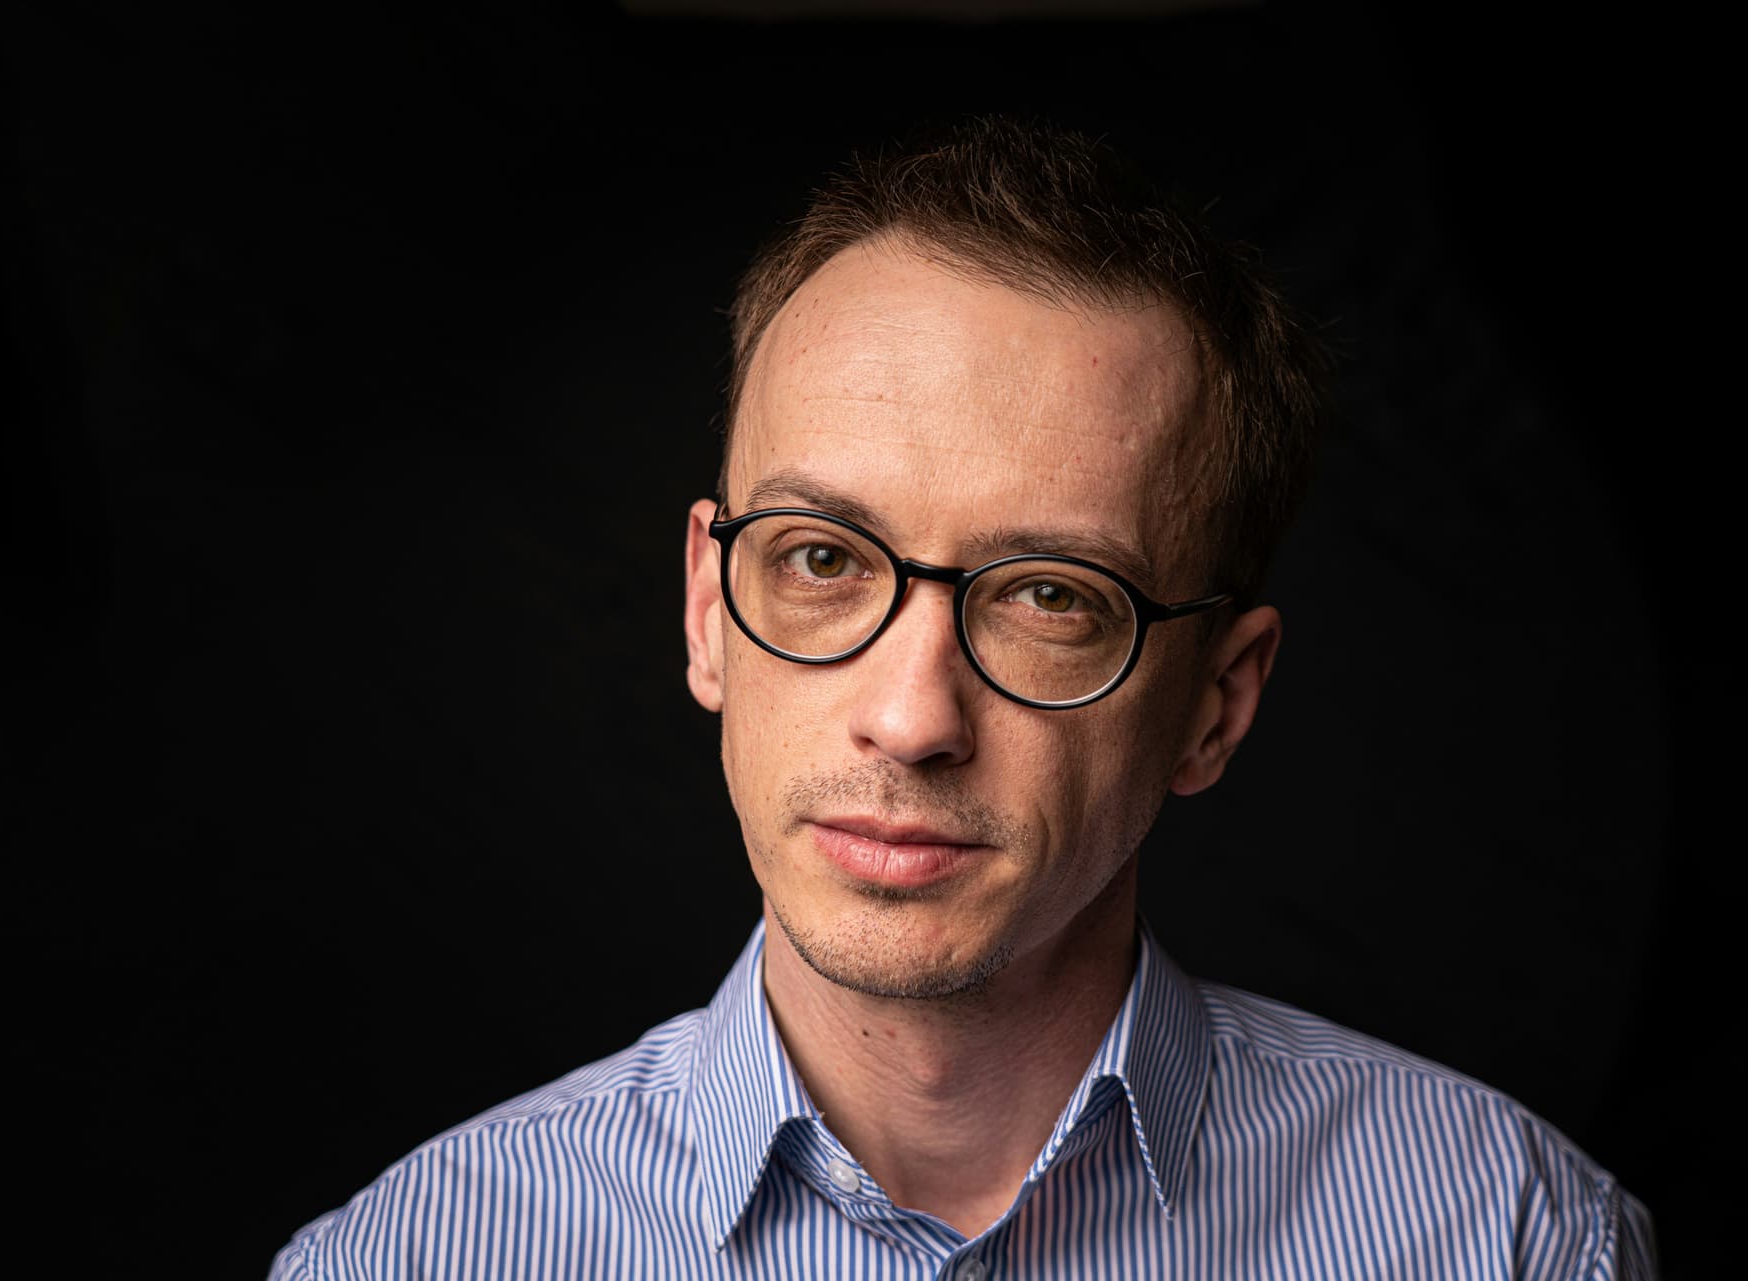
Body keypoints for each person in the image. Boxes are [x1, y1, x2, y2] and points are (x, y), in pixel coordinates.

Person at [270, 117, 1654, 1280]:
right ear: (707, 610)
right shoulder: (402, 1261)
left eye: (1051, 595)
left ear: (1217, 704)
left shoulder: (1512, 1235)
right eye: (821, 560)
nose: (911, 717)